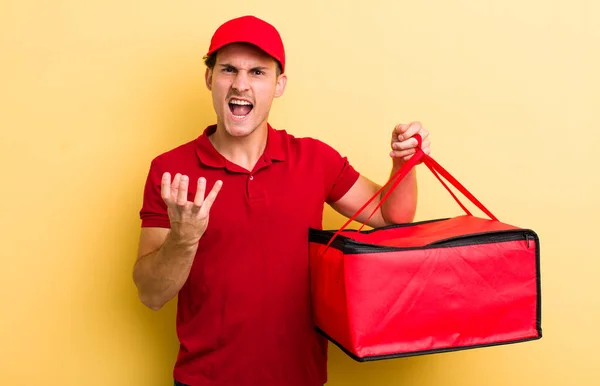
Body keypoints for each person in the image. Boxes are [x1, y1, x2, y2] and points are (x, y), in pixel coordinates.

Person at [133, 15, 431, 386]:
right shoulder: (171, 169)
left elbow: (392, 218)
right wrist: (184, 237)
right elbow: (151, 295)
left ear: (279, 84)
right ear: (210, 78)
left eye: (258, 72)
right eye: (228, 69)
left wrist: (404, 163)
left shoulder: (315, 160)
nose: (240, 85)